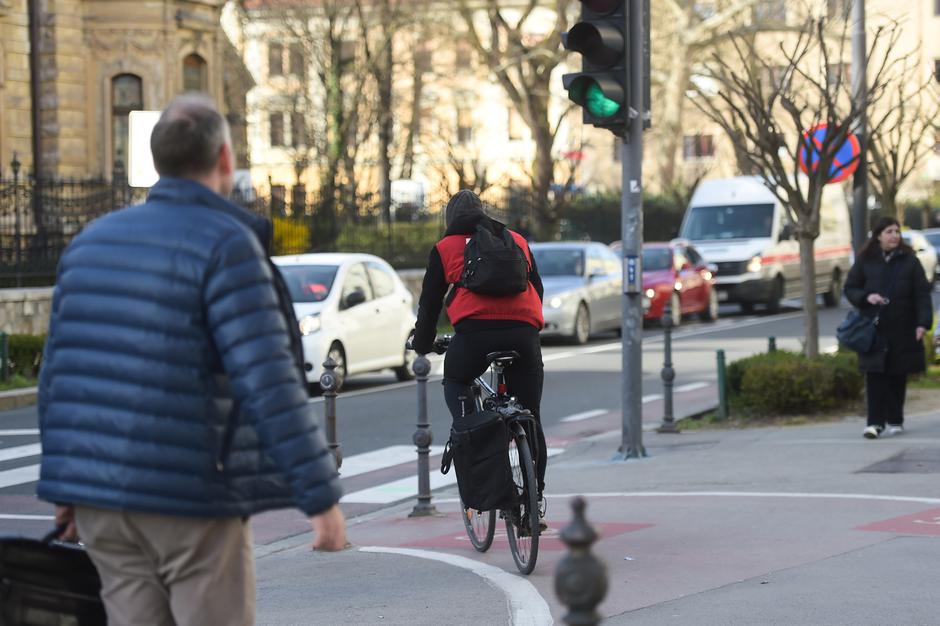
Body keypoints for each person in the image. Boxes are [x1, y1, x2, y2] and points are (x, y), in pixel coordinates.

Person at [37, 94, 346, 625]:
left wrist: (68, 487)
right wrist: (320, 498)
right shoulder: (226, 244)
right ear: (225, 158)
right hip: (191, 498)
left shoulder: (89, 243)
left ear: (158, 161)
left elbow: (60, 376)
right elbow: (268, 378)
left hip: (102, 502)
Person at [411, 190, 548, 522]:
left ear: (450, 220)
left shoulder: (445, 249)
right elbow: (537, 290)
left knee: (456, 379)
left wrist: (422, 343)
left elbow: (429, 306)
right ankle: (534, 501)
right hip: (524, 335)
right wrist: (525, 328)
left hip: (474, 338)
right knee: (531, 417)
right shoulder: (515, 240)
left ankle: (476, 432)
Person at [843, 217, 933, 440]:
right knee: (874, 374)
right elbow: (850, 287)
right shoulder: (866, 261)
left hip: (902, 327)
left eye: (897, 231)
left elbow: (922, 295)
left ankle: (895, 418)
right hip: (874, 328)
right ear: (878, 236)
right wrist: (866, 297)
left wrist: (923, 324)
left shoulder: (910, 262)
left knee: (896, 374)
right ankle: (874, 423)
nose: (894, 235)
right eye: (889, 231)